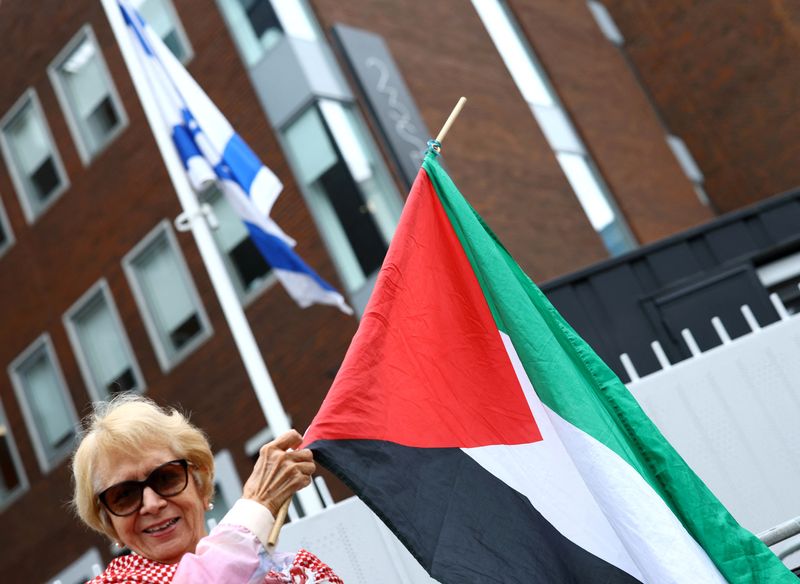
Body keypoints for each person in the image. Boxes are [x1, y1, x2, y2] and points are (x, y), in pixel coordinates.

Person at [71, 394, 342, 583]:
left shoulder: (298, 572)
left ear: (200, 484)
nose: (152, 503)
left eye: (166, 478)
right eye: (124, 495)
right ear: (109, 522)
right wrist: (257, 505)